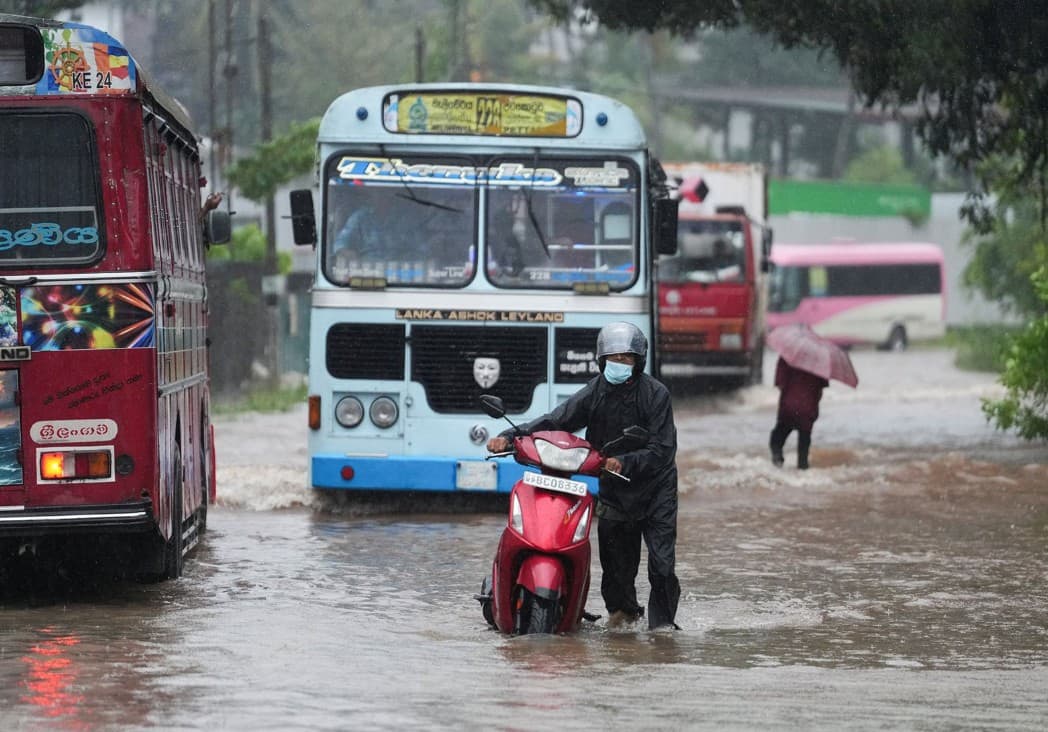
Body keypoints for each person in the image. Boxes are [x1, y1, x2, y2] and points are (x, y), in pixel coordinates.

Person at [486, 322, 681, 630]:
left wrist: (623, 462)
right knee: (616, 567)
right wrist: (509, 437)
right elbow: (557, 420)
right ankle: (624, 618)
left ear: (638, 361)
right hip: (614, 491)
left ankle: (663, 627)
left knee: (661, 565)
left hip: (656, 490)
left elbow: (662, 450)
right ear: (602, 361)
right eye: (613, 358)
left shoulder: (656, 395)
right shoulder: (596, 391)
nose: (619, 364)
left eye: (626, 358)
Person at [769, 356, 829, 470]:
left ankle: (778, 464)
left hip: (789, 408)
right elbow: (821, 387)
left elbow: (780, 384)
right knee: (803, 458)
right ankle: (803, 475)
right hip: (808, 411)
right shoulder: (820, 361)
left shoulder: (786, 357)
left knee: (775, 441)